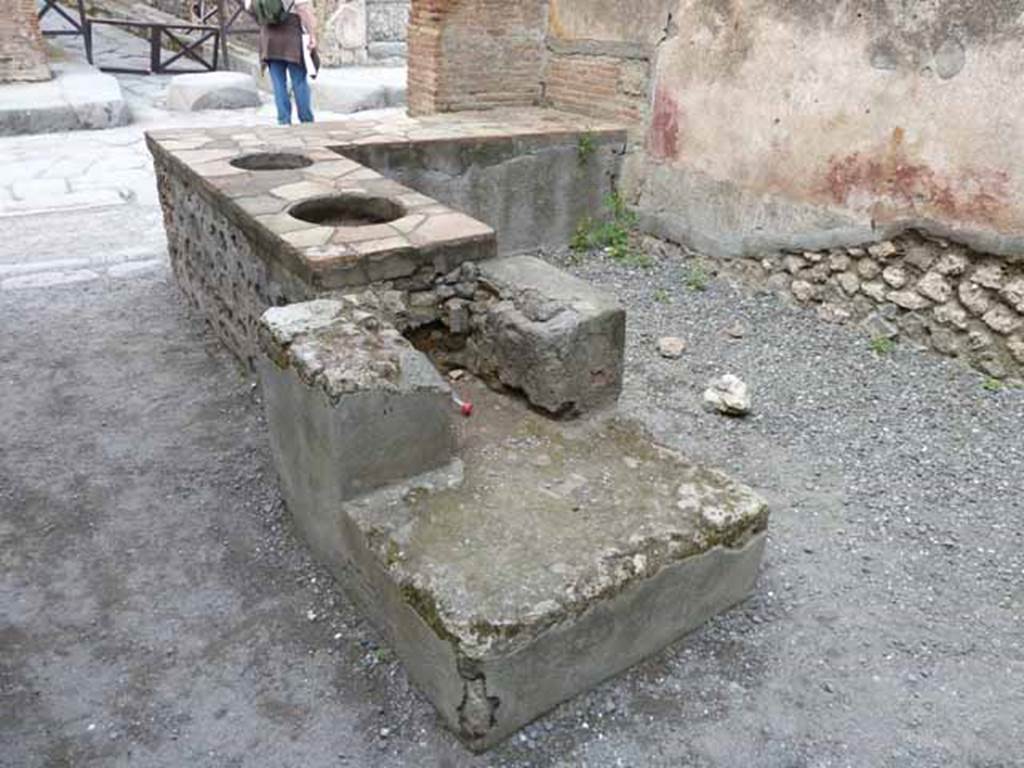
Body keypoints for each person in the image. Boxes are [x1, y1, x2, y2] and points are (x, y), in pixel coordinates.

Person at [247, 0, 319, 125]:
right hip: (291, 36)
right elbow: (302, 9)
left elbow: (250, 7)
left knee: (278, 83)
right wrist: (312, 34)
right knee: (299, 81)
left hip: (269, 38)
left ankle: (283, 119)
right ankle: (306, 119)